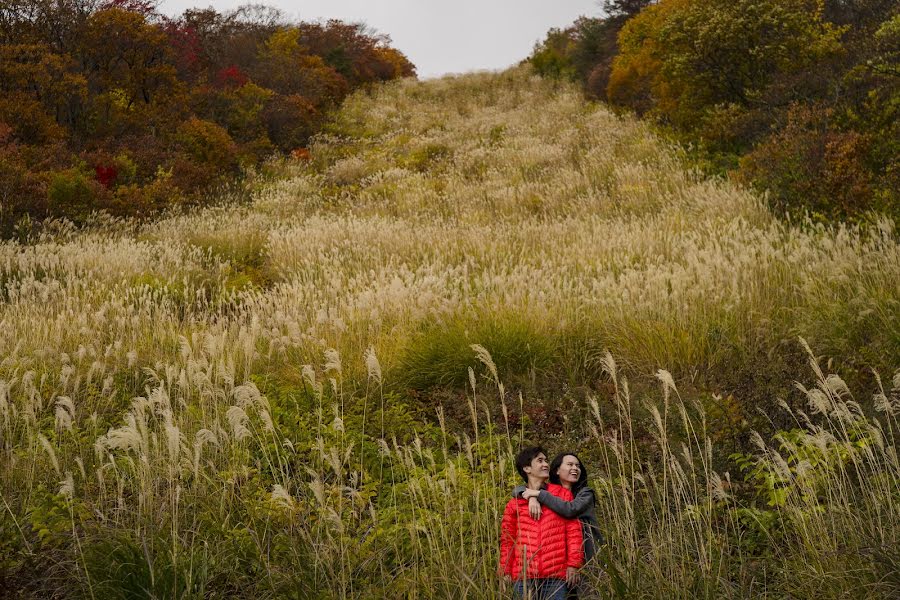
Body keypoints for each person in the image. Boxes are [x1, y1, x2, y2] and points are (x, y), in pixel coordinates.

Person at [513, 452, 602, 599]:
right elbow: (518, 490)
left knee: (586, 595)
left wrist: (536, 495)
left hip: (586, 559)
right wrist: (531, 498)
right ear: (557, 470)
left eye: (578, 466)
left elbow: (569, 509)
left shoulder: (586, 494)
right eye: (570, 464)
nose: (575, 468)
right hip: (557, 563)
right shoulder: (546, 492)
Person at [499, 446, 583, 600]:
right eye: (540, 461)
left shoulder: (562, 494)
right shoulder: (514, 503)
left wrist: (573, 564)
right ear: (527, 468)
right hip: (523, 577)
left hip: (555, 575)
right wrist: (505, 572)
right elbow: (507, 540)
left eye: (546, 460)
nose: (546, 464)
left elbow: (574, 532)